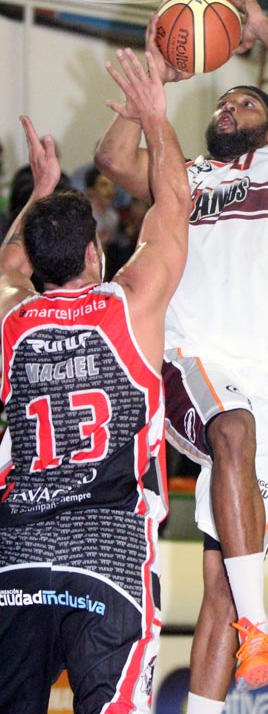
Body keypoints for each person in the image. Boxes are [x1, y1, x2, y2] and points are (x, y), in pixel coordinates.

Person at [94, 0, 268, 709]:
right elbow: (114, 160)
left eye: (247, 103)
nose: (229, 106)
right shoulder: (186, 176)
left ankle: (213, 686)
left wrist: (261, 31)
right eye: (223, 100)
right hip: (190, 356)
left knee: (221, 584)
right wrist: (154, 85)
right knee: (230, 429)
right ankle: (259, 630)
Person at [0, 50, 191, 712]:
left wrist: (39, 194)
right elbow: (175, 204)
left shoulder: (11, 317)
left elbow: (10, 263)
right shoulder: (129, 304)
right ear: (94, 252)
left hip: (18, 554)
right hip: (108, 553)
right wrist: (156, 116)